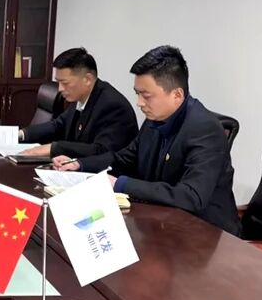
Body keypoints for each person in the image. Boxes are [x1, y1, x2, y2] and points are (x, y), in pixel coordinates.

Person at [54, 45, 240, 234]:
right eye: (138, 93)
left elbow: (191, 196)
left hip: (207, 235)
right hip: (161, 223)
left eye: (146, 96)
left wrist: (120, 184)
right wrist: (80, 165)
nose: (139, 103)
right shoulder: (154, 119)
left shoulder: (205, 129)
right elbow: (124, 159)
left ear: (177, 95)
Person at [19, 47, 137, 158]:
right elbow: (58, 125)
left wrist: (54, 148)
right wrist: (22, 134)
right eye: (58, 82)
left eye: (65, 83)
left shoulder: (113, 106)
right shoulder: (80, 97)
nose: (60, 89)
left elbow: (102, 151)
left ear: (87, 79)